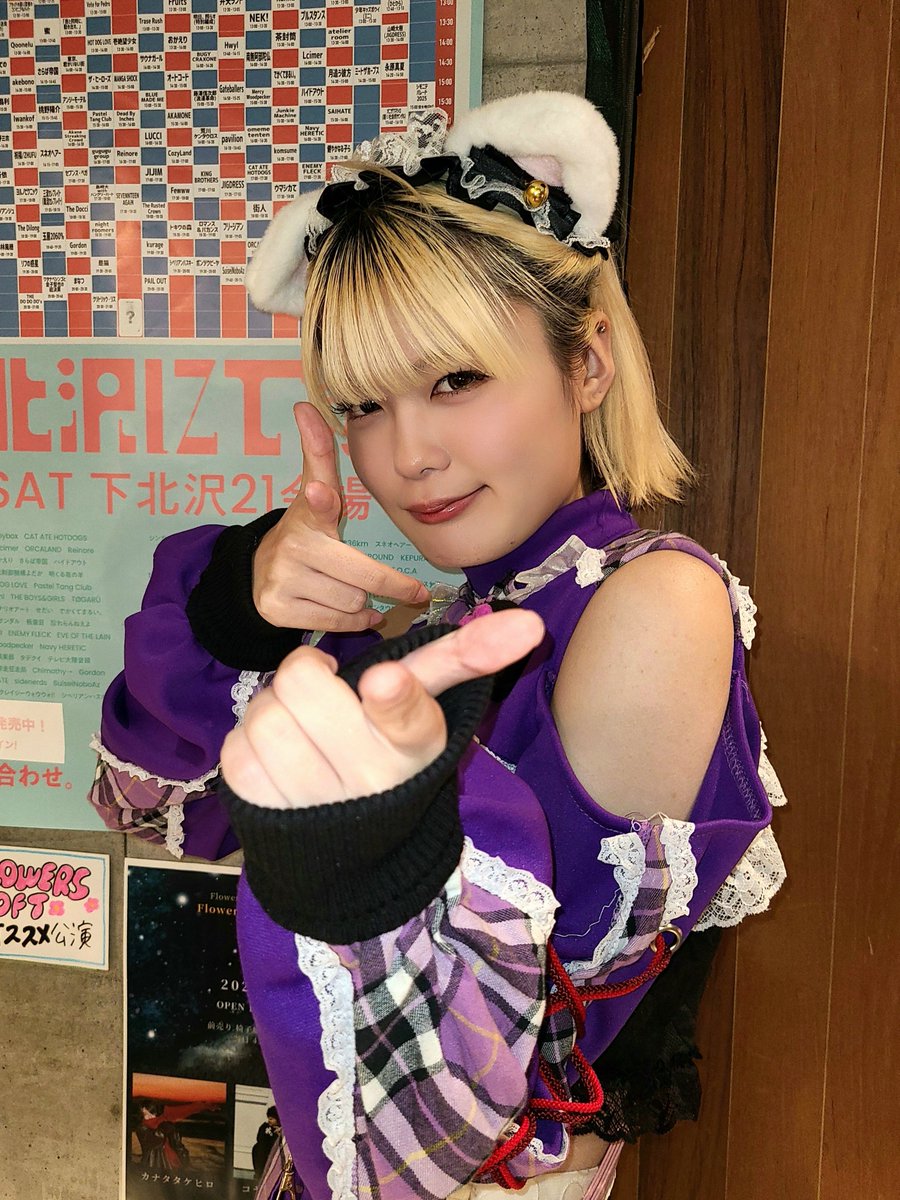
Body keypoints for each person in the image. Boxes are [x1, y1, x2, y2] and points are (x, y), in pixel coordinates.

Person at [92, 92, 787, 1200]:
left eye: (456, 379)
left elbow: (476, 1094)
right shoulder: (448, 628)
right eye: (363, 403)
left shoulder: (655, 604)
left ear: (588, 362)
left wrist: (362, 852)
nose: (407, 454)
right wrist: (240, 608)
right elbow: (149, 809)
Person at [252, 1106, 282, 1184]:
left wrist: (279, 1134)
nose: (269, 1120)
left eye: (271, 1119)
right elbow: (259, 1138)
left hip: (271, 1153)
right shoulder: (265, 1127)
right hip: (261, 1152)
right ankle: (259, 1174)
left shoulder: (280, 1130)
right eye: (268, 1118)